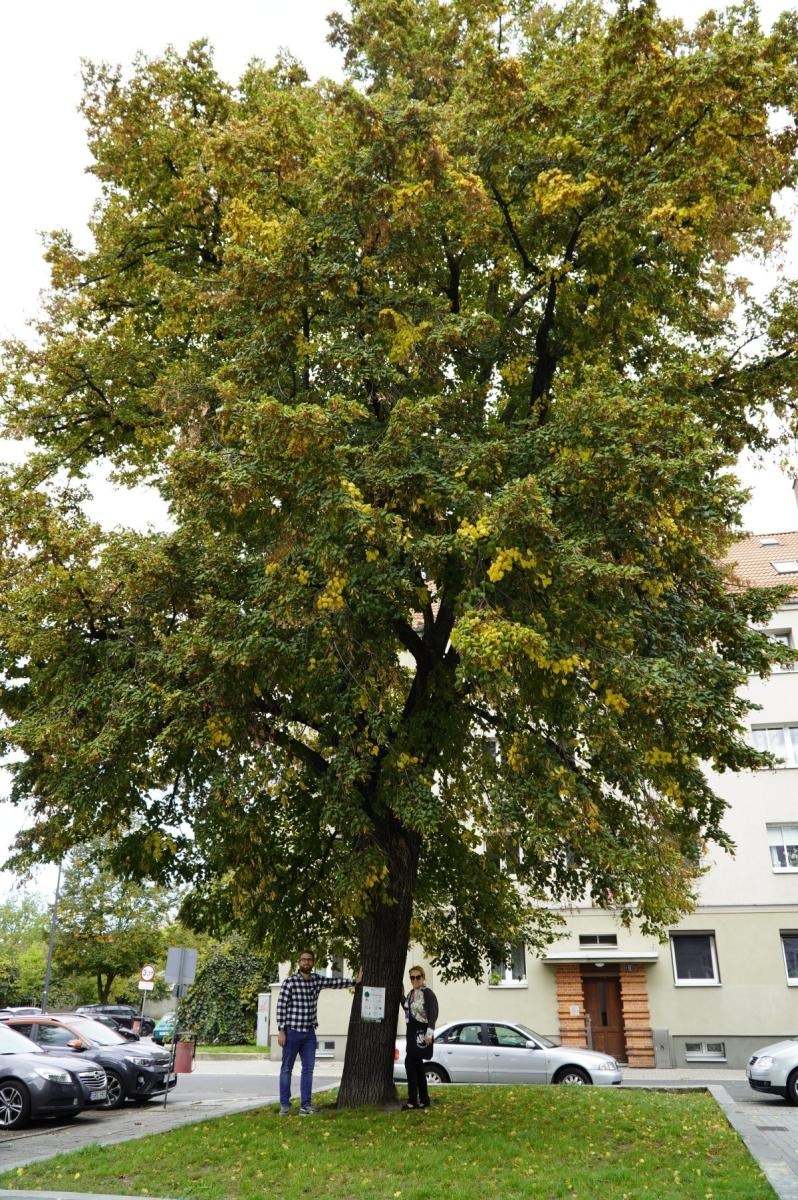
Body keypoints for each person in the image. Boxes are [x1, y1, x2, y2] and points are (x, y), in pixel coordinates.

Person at [276, 950, 360, 1115]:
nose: (306, 962)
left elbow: (334, 982)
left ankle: (305, 1105)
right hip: (291, 1032)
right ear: (299, 962)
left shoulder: (316, 980)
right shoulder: (290, 982)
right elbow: (281, 1007)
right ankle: (285, 1105)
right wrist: (281, 1030)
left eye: (309, 960)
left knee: (308, 1069)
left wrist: (354, 982)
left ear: (313, 962)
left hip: (309, 1033)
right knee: (287, 1069)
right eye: (304, 960)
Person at [401, 964, 439, 1111]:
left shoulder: (427, 993)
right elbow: (406, 1008)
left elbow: (433, 1012)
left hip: (421, 1034)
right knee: (418, 1067)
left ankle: (412, 1101)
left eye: (418, 977)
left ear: (423, 977)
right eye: (412, 978)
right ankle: (424, 1100)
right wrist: (401, 995)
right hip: (411, 1032)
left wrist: (429, 1033)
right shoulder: (411, 994)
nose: (415, 980)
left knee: (409, 1063)